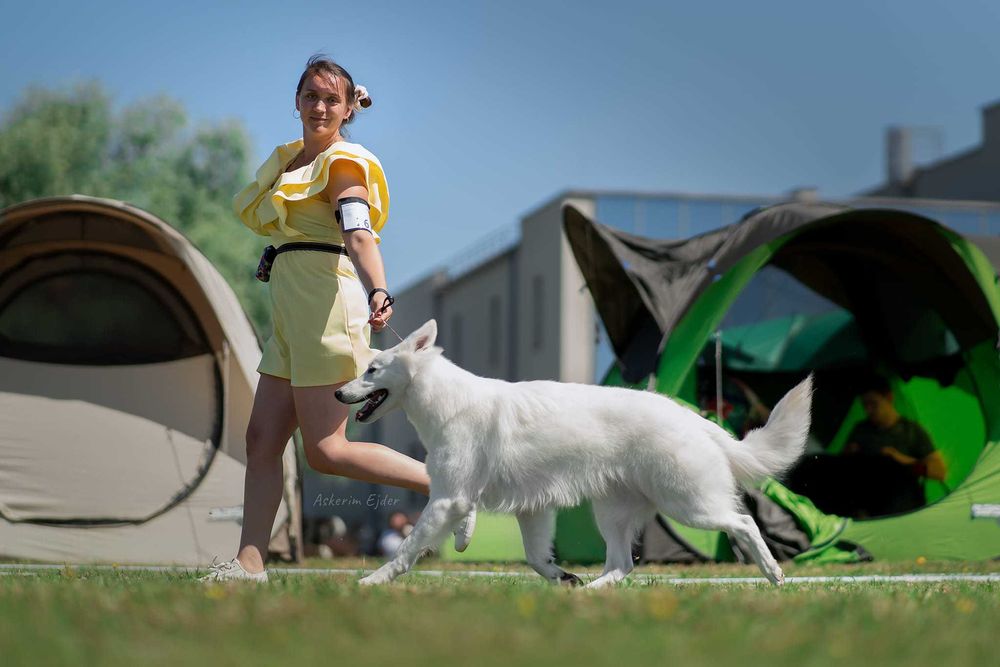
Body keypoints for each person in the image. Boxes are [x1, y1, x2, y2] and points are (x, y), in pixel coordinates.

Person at [202, 56, 470, 582]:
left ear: (349, 109)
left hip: (328, 309)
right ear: (296, 101)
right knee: (261, 439)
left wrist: (380, 289)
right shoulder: (290, 162)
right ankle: (248, 566)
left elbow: (358, 233)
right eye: (311, 95)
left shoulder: (345, 163)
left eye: (331, 99)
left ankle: (452, 486)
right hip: (291, 314)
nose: (320, 106)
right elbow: (294, 231)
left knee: (326, 451)